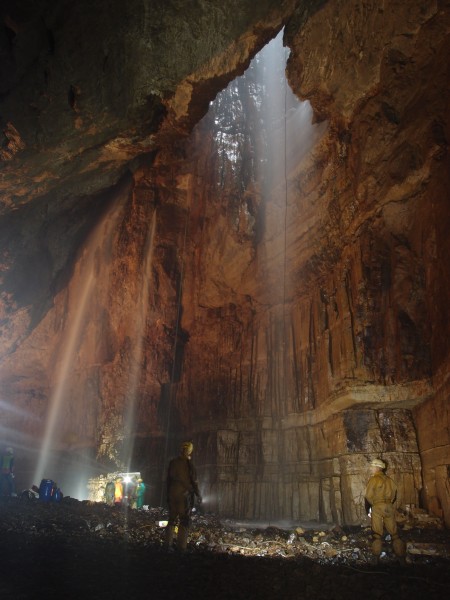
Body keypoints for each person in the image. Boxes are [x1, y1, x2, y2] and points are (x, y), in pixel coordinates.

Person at [364, 457, 406, 562]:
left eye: (372, 467)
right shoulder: (390, 480)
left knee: (377, 534)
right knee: (394, 534)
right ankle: (401, 557)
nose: (371, 469)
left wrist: (374, 505)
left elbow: (368, 495)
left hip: (378, 506)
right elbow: (395, 496)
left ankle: (375, 558)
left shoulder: (374, 479)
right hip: (389, 506)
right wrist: (389, 504)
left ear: (377, 467)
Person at [164, 441, 202, 551]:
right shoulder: (189, 464)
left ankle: (168, 545)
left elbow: (168, 480)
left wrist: (168, 494)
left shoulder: (172, 462)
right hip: (183, 495)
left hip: (172, 493)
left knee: (171, 520)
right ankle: (181, 547)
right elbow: (194, 481)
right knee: (184, 520)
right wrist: (198, 494)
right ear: (190, 451)